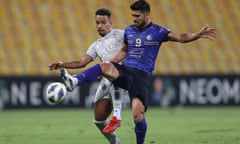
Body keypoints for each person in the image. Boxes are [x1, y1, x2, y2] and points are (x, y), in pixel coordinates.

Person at [49, 1, 216, 144]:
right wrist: (111, 65)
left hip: (141, 75)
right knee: (105, 66)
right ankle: (74, 81)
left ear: (147, 14)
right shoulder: (129, 30)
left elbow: (181, 37)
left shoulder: (158, 31)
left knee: (138, 115)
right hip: (125, 70)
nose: (134, 19)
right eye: (133, 16)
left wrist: (197, 35)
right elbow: (123, 51)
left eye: (137, 16)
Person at [49, 8, 124, 144]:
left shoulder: (121, 35)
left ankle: (117, 116)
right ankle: (116, 143)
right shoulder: (96, 45)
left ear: (110, 22)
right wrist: (62, 64)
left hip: (125, 75)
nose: (99, 26)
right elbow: (81, 62)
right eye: (97, 23)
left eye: (103, 22)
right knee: (99, 119)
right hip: (108, 78)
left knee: (112, 74)